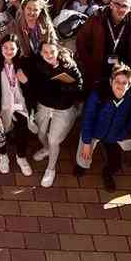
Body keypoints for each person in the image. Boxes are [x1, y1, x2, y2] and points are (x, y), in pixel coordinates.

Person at [26, 40, 83, 188]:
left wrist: (63, 87)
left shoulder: (68, 65)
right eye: (45, 52)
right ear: (40, 53)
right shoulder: (38, 65)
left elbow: (79, 86)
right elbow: (33, 86)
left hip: (63, 107)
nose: (49, 55)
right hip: (44, 105)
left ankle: (50, 169)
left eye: (52, 51)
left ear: (58, 51)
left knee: (53, 140)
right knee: (40, 133)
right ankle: (46, 149)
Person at [76, 63, 131, 190]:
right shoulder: (98, 95)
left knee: (115, 164)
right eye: (117, 81)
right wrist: (87, 142)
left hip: (114, 135)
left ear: (129, 85)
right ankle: (81, 166)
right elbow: (87, 119)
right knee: (83, 153)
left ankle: (107, 173)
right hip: (95, 131)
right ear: (111, 81)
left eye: (124, 83)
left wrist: (123, 133)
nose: (120, 85)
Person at [0, 35, 34, 176]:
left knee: (23, 129)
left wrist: (27, 82)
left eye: (12, 48)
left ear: (18, 49)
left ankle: (21, 157)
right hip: (1, 105)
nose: (9, 51)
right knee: (1, 130)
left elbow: (33, 89)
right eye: (5, 47)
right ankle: (3, 156)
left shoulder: (23, 64)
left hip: (19, 104)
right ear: (1, 47)